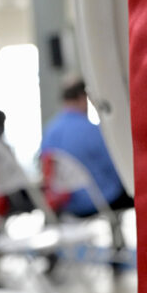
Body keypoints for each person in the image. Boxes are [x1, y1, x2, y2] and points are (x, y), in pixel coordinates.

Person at [40, 78, 133, 220]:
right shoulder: (93, 130)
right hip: (103, 204)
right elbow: (118, 169)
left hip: (69, 208)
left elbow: (46, 171)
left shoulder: (49, 133)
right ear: (83, 98)